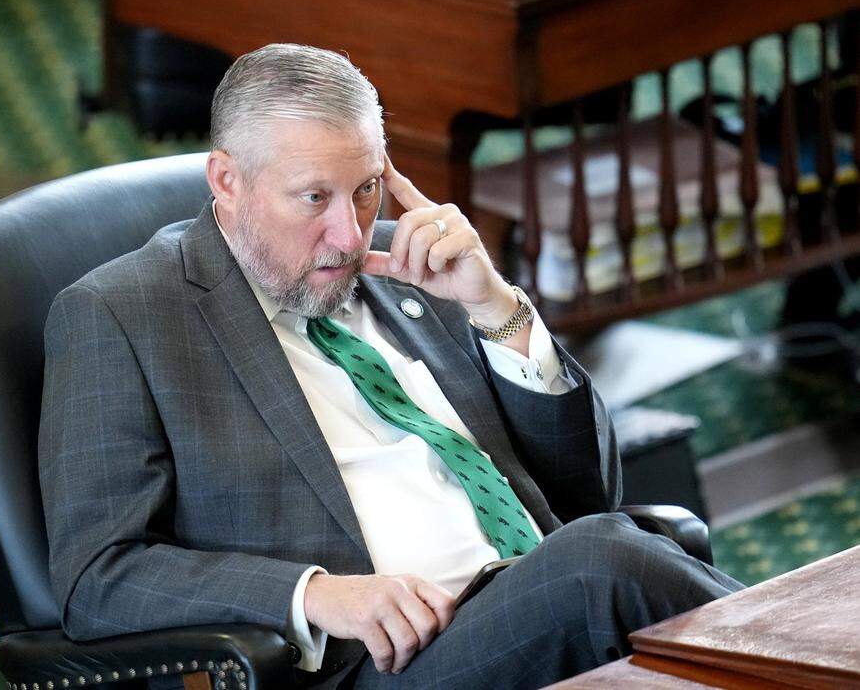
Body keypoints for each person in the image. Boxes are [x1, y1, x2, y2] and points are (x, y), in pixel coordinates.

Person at [38, 43, 742, 689]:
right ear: (227, 180)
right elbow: (98, 577)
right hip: (380, 665)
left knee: (610, 569)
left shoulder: (410, 266)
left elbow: (590, 493)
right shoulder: (123, 314)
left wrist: (497, 309)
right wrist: (314, 593)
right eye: (315, 197)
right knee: (604, 565)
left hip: (539, 599)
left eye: (367, 188)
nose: (348, 235)